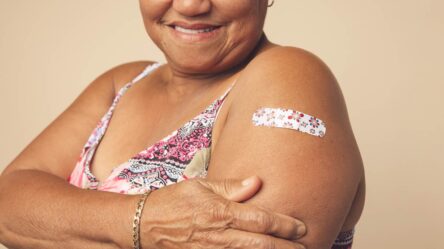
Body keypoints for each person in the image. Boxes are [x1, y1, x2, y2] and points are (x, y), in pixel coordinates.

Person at [0, 0, 365, 248]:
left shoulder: (289, 77)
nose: (191, 5)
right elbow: (8, 204)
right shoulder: (121, 84)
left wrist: (56, 223)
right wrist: (143, 222)